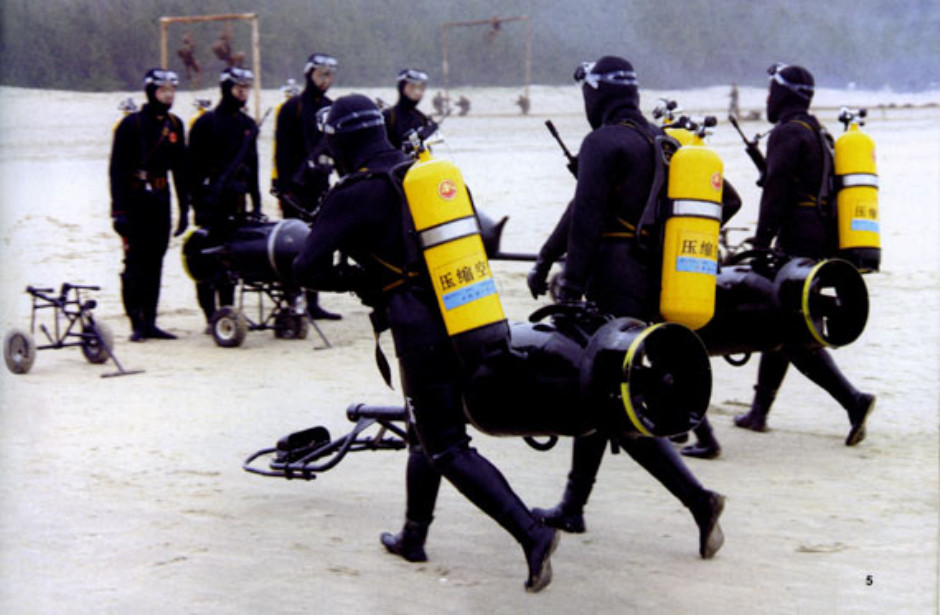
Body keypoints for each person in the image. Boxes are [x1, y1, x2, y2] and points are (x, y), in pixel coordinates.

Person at [293, 94, 558, 592]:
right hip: (470, 313)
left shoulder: (354, 192)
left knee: (447, 446)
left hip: (420, 331)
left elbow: (304, 267)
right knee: (423, 429)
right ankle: (413, 536)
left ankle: (531, 534)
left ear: (343, 141)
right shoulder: (421, 174)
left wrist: (357, 281)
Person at [525, 57, 726, 556]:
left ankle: (699, 500)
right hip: (654, 285)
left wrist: (568, 287)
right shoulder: (667, 143)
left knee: (608, 398)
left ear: (596, 94)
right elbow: (731, 202)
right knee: (598, 392)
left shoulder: (602, 142)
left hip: (609, 285)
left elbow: (589, 218)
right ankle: (573, 506)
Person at [732, 63, 875, 445]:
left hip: (799, 239)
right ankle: (760, 412)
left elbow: (775, 191)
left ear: (784, 94)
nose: (767, 98)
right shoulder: (817, 131)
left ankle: (853, 400)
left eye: (771, 91)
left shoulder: (787, 132)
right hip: (823, 238)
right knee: (781, 321)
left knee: (787, 327)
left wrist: (761, 243)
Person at [109, 68, 189, 341]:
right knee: (135, 263)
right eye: (163, 90)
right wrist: (118, 211)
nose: (169, 96)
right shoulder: (131, 125)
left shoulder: (176, 125)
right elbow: (116, 170)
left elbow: (180, 171)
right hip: (135, 200)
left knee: (156, 262)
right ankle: (136, 323)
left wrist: (184, 209)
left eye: (172, 90)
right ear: (151, 92)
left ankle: (151, 321)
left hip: (161, 199)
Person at [188, 67, 262, 330]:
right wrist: (196, 204)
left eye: (246, 87)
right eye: (237, 87)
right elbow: (192, 170)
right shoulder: (205, 123)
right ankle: (210, 315)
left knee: (232, 259)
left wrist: (257, 201)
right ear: (226, 88)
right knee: (208, 259)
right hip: (210, 201)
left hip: (237, 202)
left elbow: (254, 165)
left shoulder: (248, 125)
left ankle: (227, 311)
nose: (242, 92)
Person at [273, 52, 341, 320]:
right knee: (293, 244)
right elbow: (281, 150)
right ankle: (293, 300)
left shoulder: (331, 107)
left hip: (321, 185)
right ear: (309, 74)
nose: (325, 80)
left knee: (320, 243)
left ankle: (313, 301)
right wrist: (282, 186)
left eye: (329, 75)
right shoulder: (292, 107)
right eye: (320, 74)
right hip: (295, 186)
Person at [382, 68, 438, 151]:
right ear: (401, 88)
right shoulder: (388, 116)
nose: (417, 92)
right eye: (411, 87)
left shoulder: (422, 118)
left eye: (421, 88)